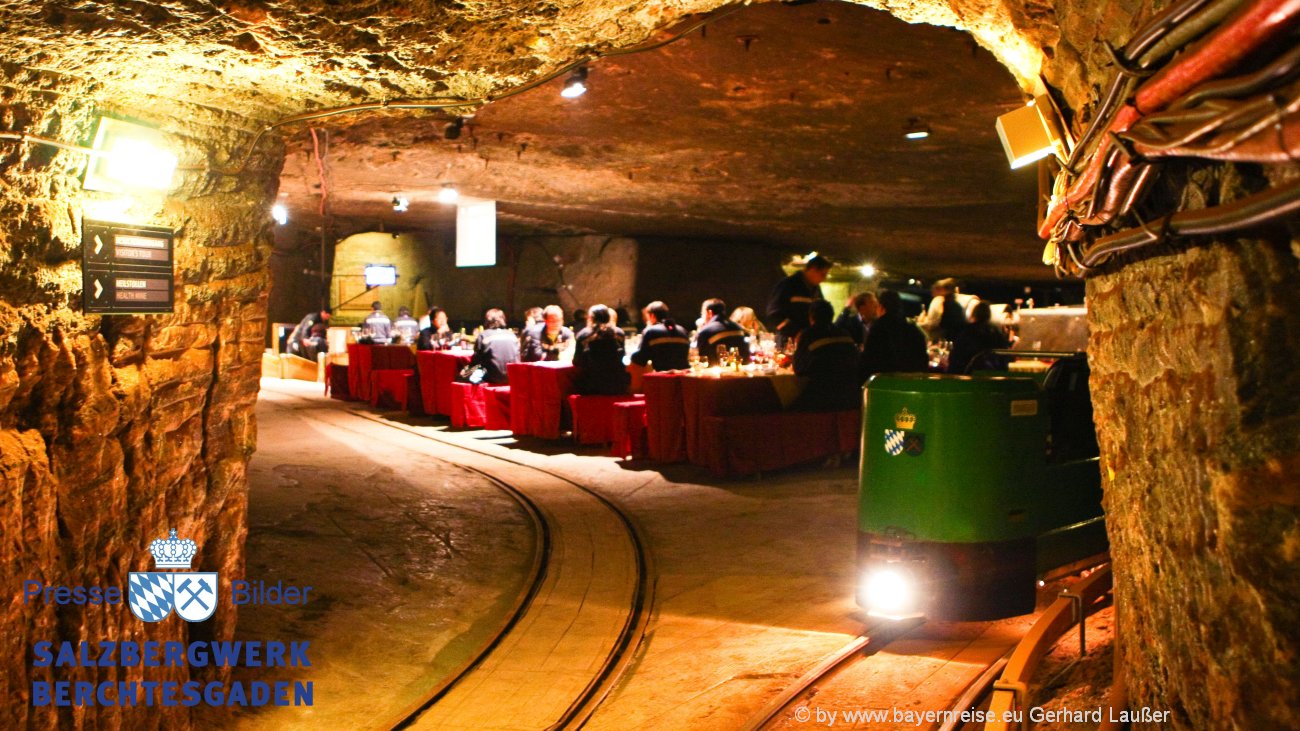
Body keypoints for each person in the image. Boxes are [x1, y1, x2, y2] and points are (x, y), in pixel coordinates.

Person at [793, 300, 861, 412]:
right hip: (850, 393)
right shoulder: (844, 333)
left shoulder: (808, 335)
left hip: (822, 394)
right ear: (831, 315)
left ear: (811, 317)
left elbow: (799, 368)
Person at [859, 289, 929, 381]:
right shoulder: (912, 327)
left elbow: (869, 360)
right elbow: (923, 359)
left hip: (885, 381)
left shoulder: (879, 327)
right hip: (910, 381)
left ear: (881, 307)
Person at [767, 254, 832, 347]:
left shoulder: (816, 290)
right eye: (823, 274)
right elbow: (773, 314)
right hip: (788, 342)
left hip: (809, 341)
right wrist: (796, 332)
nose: (824, 278)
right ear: (813, 269)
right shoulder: (788, 285)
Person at [574, 305, 631, 395]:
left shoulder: (584, 335)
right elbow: (623, 357)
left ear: (591, 318)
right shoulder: (619, 333)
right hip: (617, 383)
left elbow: (576, 361)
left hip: (591, 384)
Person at [947, 301, 1011, 374]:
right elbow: (1004, 355)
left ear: (974, 314)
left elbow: (956, 356)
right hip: (993, 375)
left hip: (967, 374)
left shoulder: (966, 331)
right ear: (989, 315)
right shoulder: (996, 333)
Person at [630, 301, 690, 372]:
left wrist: (631, 356)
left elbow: (640, 359)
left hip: (663, 375)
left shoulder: (651, 331)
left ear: (652, 316)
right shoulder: (682, 330)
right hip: (684, 374)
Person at [466, 308, 518, 384]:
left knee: (464, 374)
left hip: (492, 377)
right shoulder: (512, 335)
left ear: (487, 320)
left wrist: (466, 371)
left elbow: (476, 361)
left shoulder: (484, 335)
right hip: (513, 377)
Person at [920, 278, 977, 343]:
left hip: (947, 337)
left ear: (942, 289)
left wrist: (920, 325)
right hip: (959, 336)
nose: (932, 292)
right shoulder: (954, 302)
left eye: (935, 289)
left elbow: (934, 323)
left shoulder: (939, 301)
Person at [696, 298, 749, 365]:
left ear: (709, 313)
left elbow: (701, 358)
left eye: (703, 314)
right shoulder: (739, 328)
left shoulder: (706, 331)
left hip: (714, 370)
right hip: (740, 369)